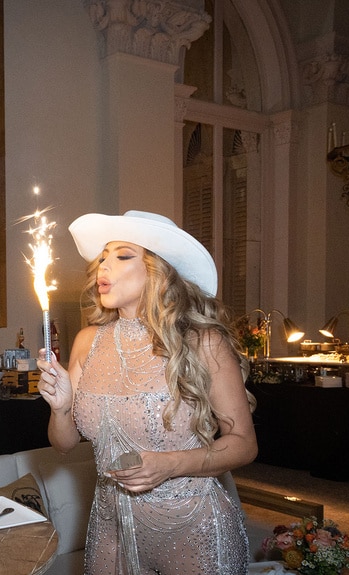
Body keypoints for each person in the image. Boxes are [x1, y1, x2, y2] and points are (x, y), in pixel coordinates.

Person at [37, 210, 258, 575]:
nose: (103, 267)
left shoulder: (202, 341)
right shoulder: (86, 342)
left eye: (123, 255)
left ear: (159, 270)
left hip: (192, 526)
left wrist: (170, 464)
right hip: (112, 526)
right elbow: (63, 445)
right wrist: (60, 409)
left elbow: (244, 443)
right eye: (103, 256)